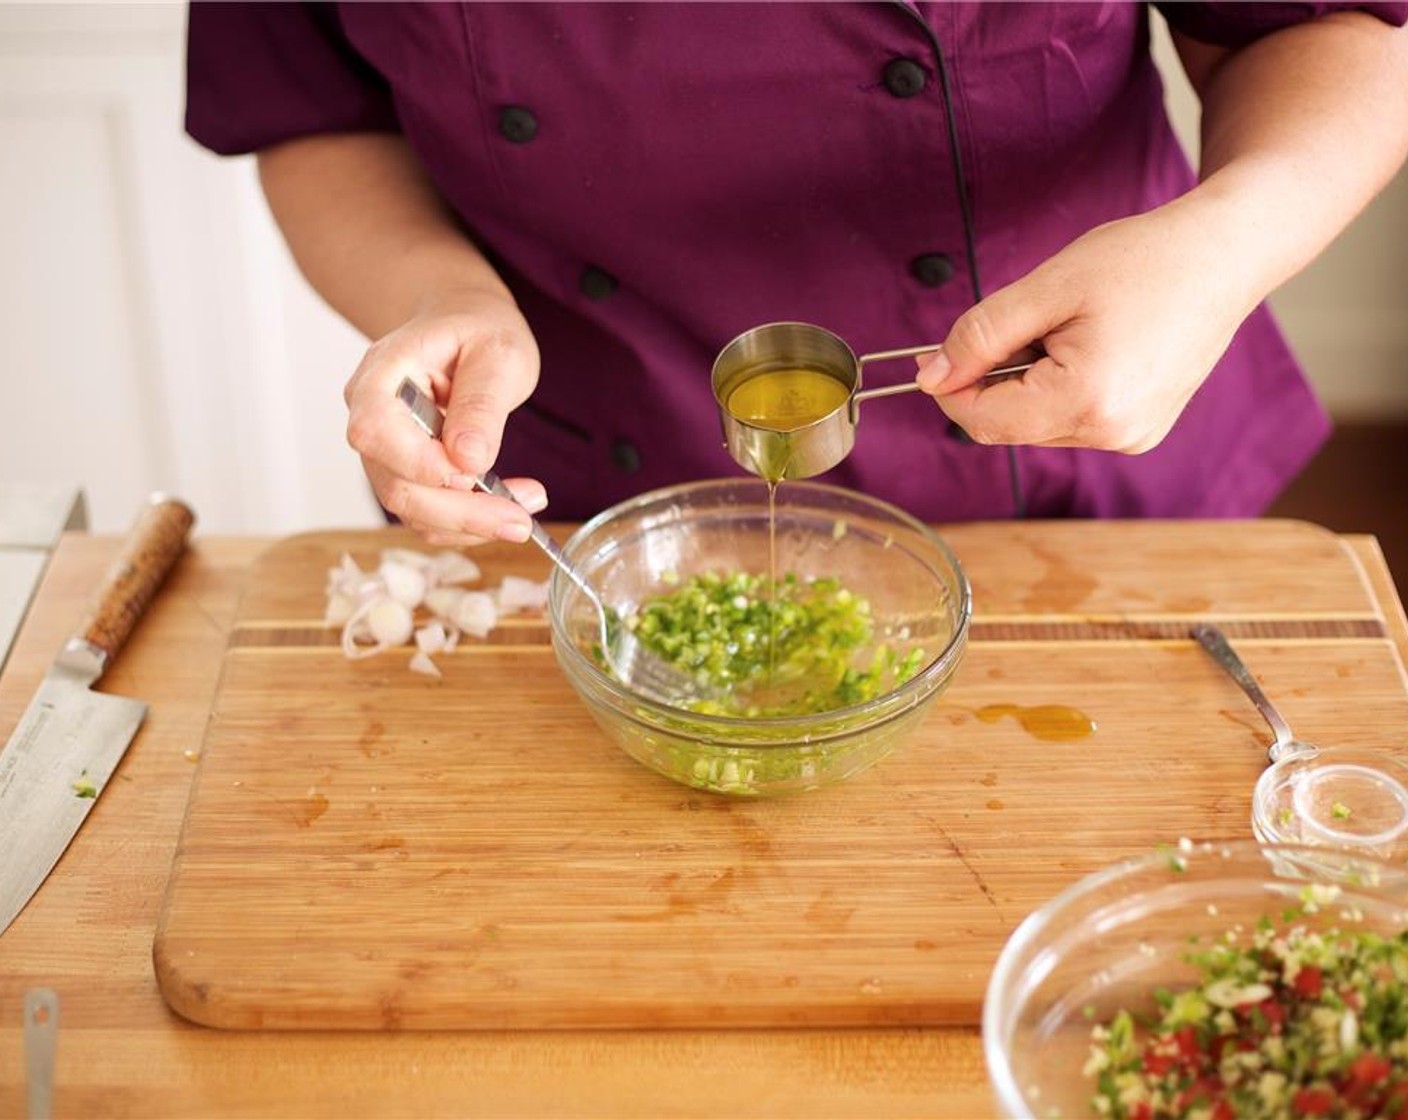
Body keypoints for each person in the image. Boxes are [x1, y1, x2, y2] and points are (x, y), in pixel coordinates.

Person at [185, 2, 1408, 547]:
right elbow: (313, 103)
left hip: (1071, 460)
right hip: (590, 482)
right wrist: (432, 295)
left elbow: (1327, 22)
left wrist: (1223, 243)